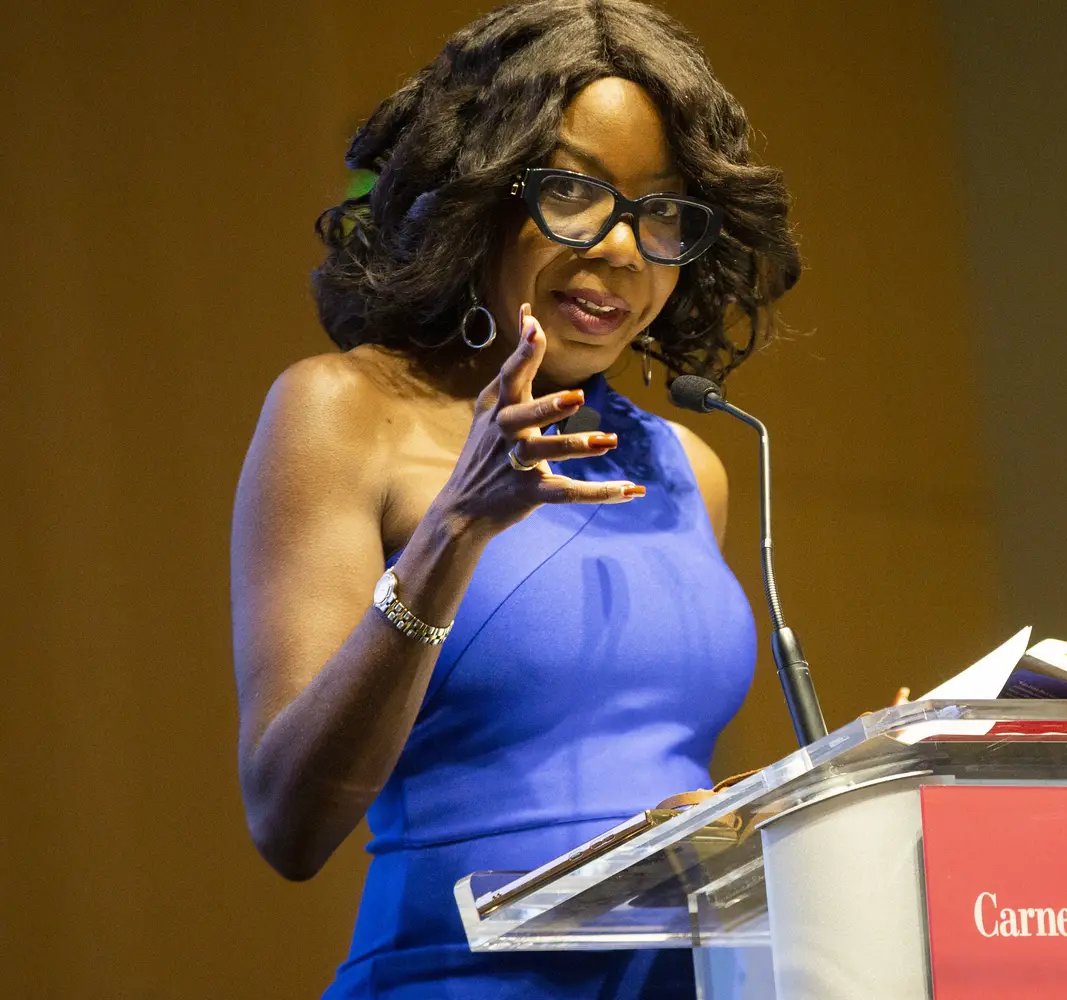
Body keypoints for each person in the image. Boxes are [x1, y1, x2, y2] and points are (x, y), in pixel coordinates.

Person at [227, 2, 801, 996]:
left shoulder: (685, 464)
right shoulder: (342, 411)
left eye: (660, 210)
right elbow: (287, 819)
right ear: (480, 194)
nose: (621, 249)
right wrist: (453, 529)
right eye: (575, 191)